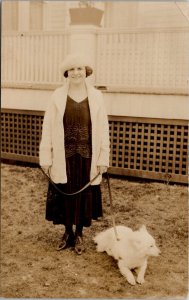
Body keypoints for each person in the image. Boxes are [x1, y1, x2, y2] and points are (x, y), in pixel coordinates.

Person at [39, 53, 110, 255]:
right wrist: (46, 157)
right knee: (65, 193)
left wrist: (103, 158)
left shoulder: (96, 96)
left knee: (84, 195)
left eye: (80, 69)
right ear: (66, 73)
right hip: (64, 155)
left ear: (86, 72)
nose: (76, 73)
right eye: (72, 69)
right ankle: (67, 231)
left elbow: (103, 129)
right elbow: (48, 128)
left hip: (88, 156)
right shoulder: (57, 96)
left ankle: (79, 233)